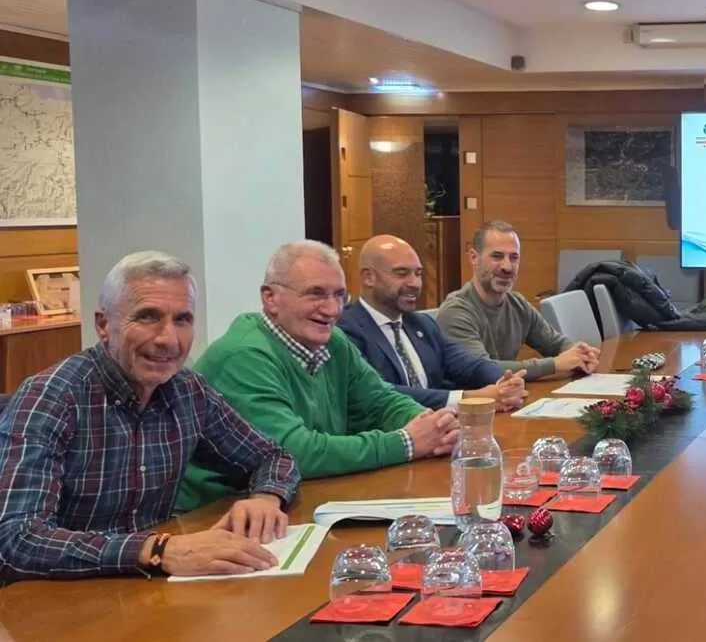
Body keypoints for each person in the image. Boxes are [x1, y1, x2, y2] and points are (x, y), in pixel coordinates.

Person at [0, 252, 300, 582]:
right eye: (147, 317)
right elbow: (17, 540)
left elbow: (273, 457)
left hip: (151, 590)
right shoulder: (52, 397)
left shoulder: (187, 390)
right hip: (56, 597)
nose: (168, 339)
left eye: (182, 320)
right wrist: (155, 550)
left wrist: (266, 498)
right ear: (103, 325)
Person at [176, 241, 459, 511]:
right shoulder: (243, 356)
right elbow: (294, 453)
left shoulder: (333, 342)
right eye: (316, 294)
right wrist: (406, 443)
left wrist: (434, 426)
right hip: (218, 514)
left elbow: (381, 402)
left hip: (304, 498)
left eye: (339, 295)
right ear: (270, 298)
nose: (332, 310)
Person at [339, 235, 527, 410]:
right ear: (369, 277)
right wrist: (468, 398)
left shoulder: (421, 324)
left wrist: (505, 382)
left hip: (442, 428)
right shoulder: (346, 331)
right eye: (402, 273)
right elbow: (379, 393)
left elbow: (469, 364)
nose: (415, 283)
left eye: (418, 273)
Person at [438, 220, 600, 380]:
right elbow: (483, 371)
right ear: (474, 257)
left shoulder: (517, 304)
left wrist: (580, 354)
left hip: (510, 393)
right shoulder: (456, 311)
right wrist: (554, 364)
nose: (507, 267)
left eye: (514, 258)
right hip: (471, 396)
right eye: (497, 256)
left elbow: (555, 343)